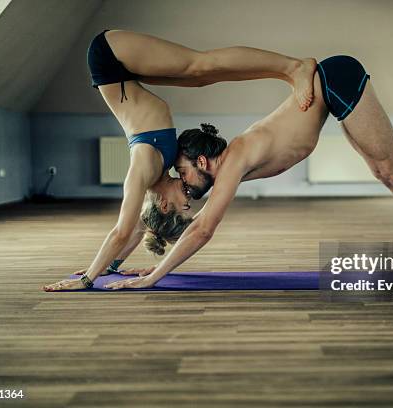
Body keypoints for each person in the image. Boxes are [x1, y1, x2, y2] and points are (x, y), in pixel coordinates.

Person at [105, 55, 393, 290]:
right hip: (331, 89)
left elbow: (204, 229)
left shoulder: (235, 158)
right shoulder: (228, 169)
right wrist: (129, 262)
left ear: (201, 162)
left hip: (334, 78)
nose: (182, 184)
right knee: (386, 173)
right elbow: (191, 218)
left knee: (392, 169)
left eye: (182, 173)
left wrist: (155, 278)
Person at [42, 29, 318, 291]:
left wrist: (89, 278)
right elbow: (141, 227)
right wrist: (113, 266)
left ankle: (293, 67)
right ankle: (287, 73)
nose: (189, 198)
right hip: (121, 70)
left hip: (110, 55)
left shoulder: (143, 170)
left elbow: (122, 232)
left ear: (163, 203)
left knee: (200, 66)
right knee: (200, 76)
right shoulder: (160, 174)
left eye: (183, 204)